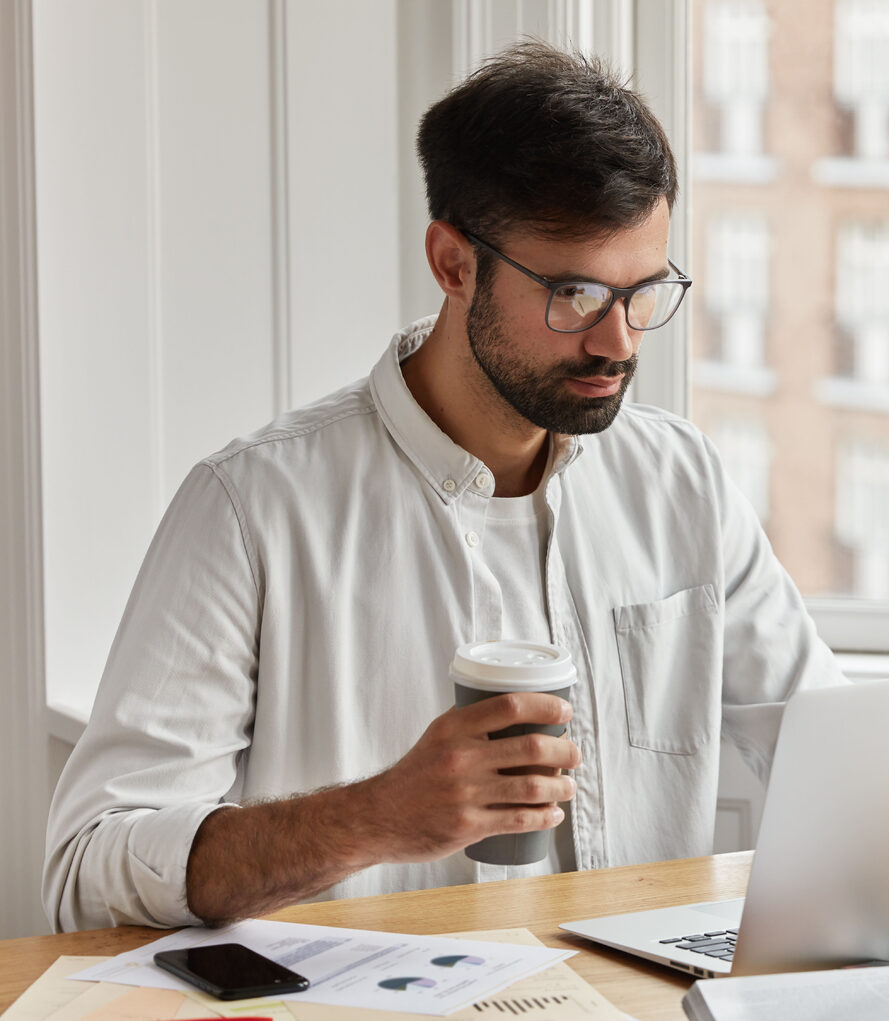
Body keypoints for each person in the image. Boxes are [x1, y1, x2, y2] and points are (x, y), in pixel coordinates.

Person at [42, 41, 844, 932]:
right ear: (454, 263)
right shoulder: (250, 509)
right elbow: (88, 870)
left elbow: (844, 761)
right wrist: (377, 814)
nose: (619, 341)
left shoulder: (683, 483)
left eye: (644, 291)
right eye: (574, 293)